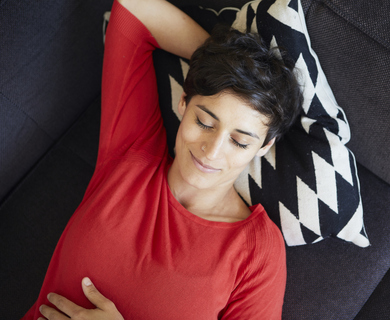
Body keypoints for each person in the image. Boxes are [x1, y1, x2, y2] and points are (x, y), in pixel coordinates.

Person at [24, 0, 303, 319]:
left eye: (239, 141)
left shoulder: (257, 251)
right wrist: (225, 67)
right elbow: (133, 8)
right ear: (184, 102)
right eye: (204, 122)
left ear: (264, 147)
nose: (211, 151)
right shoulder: (132, 149)